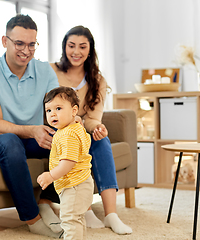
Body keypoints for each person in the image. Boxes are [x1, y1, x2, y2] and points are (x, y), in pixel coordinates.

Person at [0, 14, 63, 238]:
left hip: (27, 139)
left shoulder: (44, 71)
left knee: (67, 139)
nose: (26, 50)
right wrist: (32, 130)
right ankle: (33, 220)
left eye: (32, 44)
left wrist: (71, 122)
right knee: (11, 142)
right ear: (5, 41)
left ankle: (46, 201)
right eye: (19, 43)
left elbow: (58, 109)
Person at [50, 25, 133, 235]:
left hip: (81, 129)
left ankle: (111, 214)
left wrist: (98, 128)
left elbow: (93, 118)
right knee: (75, 140)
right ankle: (84, 209)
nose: (76, 52)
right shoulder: (51, 71)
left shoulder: (98, 80)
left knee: (101, 141)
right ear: (64, 47)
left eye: (82, 46)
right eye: (71, 46)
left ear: (90, 50)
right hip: (58, 131)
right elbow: (47, 108)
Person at [38, 86, 94, 240]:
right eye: (48, 110)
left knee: (69, 219)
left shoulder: (67, 134)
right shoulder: (75, 129)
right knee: (77, 218)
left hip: (74, 185)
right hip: (81, 182)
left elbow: (68, 162)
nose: (53, 113)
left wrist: (50, 176)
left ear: (74, 110)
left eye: (58, 108)